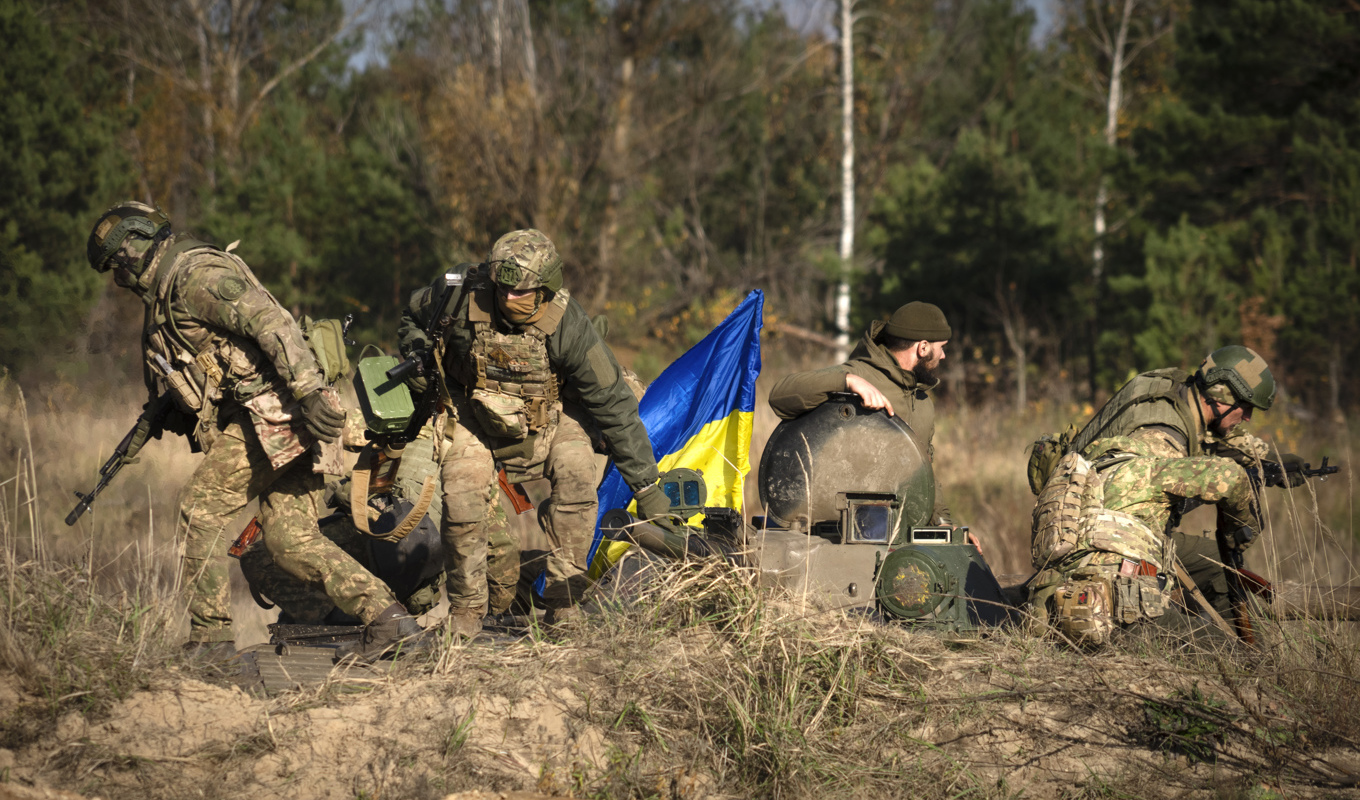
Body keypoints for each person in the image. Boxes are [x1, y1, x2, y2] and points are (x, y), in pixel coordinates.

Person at [86, 201, 414, 662]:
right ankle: (390, 621)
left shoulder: (193, 276)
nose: (118, 280)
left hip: (278, 416)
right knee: (288, 540)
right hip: (277, 419)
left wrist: (311, 394)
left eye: (117, 267)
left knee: (198, 509)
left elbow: (273, 325)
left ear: (133, 250)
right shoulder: (164, 295)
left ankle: (211, 641)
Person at [397, 229, 670, 635]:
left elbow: (614, 405)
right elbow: (410, 319)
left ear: (546, 289)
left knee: (577, 476)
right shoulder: (457, 291)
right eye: (501, 289)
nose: (507, 299)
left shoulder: (569, 325)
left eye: (521, 292)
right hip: (474, 409)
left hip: (552, 416)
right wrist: (418, 350)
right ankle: (467, 612)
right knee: (462, 493)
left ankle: (563, 603)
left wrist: (647, 489)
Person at [1063, 344, 1281, 619]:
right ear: (1220, 395)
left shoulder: (1170, 389)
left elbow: (1217, 435)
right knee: (1211, 644)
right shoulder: (1162, 440)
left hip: (1074, 527)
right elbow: (1131, 524)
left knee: (1216, 562)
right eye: (1246, 407)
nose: (1248, 417)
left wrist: (1269, 459)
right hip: (1110, 556)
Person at [768, 301, 954, 527]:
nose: (943, 356)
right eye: (941, 347)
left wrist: (944, 524)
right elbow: (780, 396)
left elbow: (924, 472)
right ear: (923, 347)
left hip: (898, 532)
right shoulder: (858, 375)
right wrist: (847, 381)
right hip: (836, 532)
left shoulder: (923, 402)